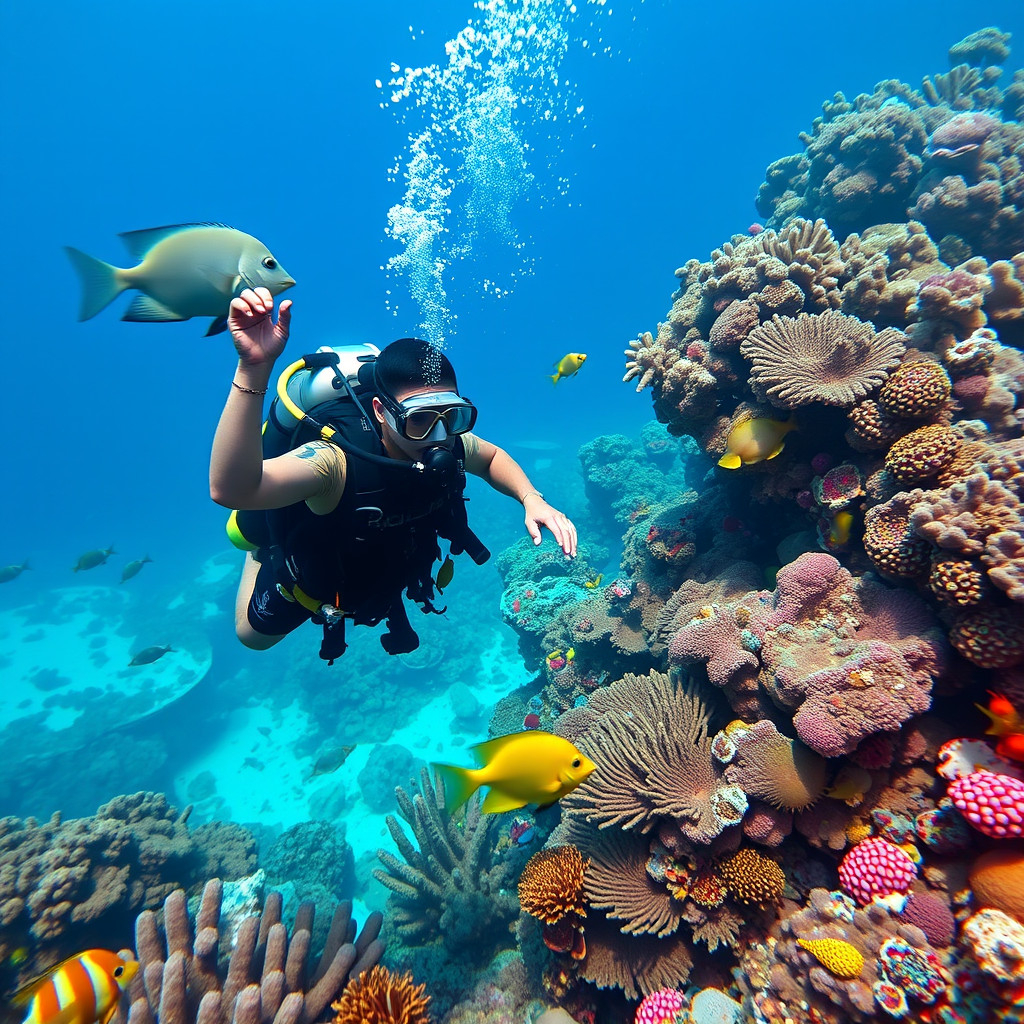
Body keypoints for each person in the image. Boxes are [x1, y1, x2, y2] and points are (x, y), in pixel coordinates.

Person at [210, 287, 578, 662]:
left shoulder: (448, 438)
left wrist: (531, 499)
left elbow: (491, 455)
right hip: (318, 572)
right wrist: (252, 369)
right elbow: (232, 489)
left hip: (387, 565)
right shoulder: (334, 461)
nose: (438, 437)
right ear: (380, 411)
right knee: (252, 636)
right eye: (418, 420)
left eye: (452, 416)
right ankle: (258, 548)